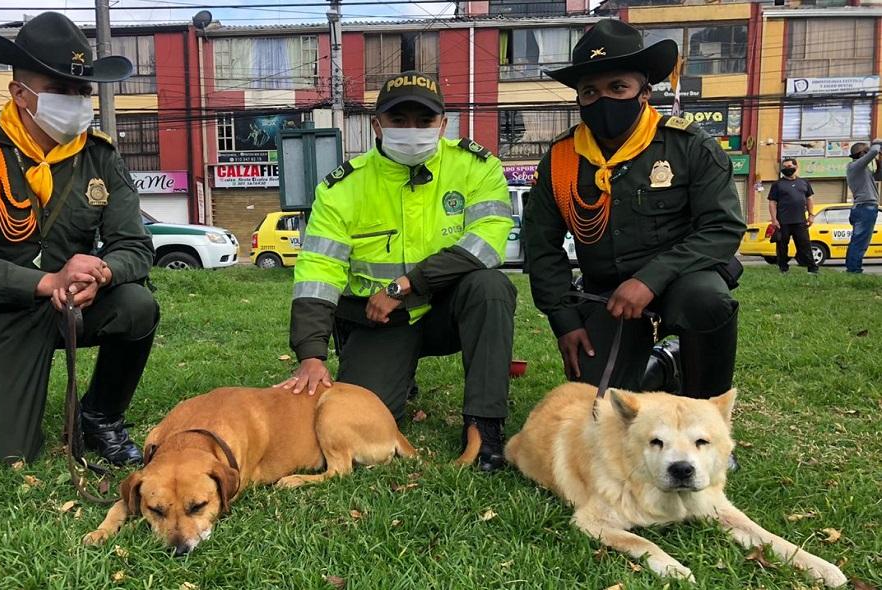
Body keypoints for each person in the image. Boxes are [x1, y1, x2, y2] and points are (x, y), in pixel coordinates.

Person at [0, 12, 158, 464]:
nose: (75, 102)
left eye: (82, 91)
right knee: (8, 457)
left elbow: (135, 246)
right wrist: (46, 282)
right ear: (19, 93)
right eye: (59, 90)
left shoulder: (99, 156)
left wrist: (102, 273)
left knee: (137, 305)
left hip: (75, 307)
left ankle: (101, 417)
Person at [277, 71, 516, 472]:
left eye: (424, 122)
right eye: (398, 121)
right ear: (377, 125)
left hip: (447, 310)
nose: (412, 130)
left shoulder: (477, 167)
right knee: (364, 427)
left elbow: (489, 242)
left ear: (443, 124)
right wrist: (311, 354)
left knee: (491, 286)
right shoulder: (341, 188)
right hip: (380, 321)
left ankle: (485, 427)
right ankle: (398, 376)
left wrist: (407, 284)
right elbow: (319, 269)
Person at [523, 19, 745, 400]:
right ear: (578, 99)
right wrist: (564, 320)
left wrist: (649, 279)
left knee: (707, 300)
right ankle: (663, 365)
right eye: (590, 91)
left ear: (644, 91)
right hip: (607, 297)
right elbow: (542, 246)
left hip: (682, 280)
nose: (603, 99)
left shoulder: (688, 146)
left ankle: (706, 414)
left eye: (618, 87)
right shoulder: (561, 160)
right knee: (601, 410)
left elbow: (722, 228)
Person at [768, 158, 818, 274]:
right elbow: (772, 202)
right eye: (784, 167)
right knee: (782, 246)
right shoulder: (777, 184)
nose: (787, 169)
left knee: (805, 244)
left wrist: (811, 215)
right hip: (783, 221)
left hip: (800, 221)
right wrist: (774, 219)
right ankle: (783, 268)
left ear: (796, 167)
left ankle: (812, 268)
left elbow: (809, 199)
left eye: (789, 166)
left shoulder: (804, 183)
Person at [844, 140, 882, 274]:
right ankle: (853, 269)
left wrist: (879, 160)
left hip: (865, 207)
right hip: (864, 207)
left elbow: (879, 176)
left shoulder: (863, 170)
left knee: (859, 240)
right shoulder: (854, 166)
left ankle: (852, 268)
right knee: (860, 241)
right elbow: (874, 151)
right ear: (862, 154)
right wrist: (877, 142)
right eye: (866, 151)